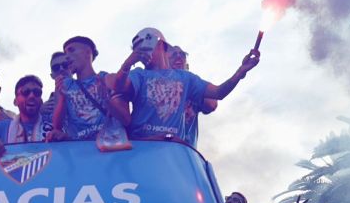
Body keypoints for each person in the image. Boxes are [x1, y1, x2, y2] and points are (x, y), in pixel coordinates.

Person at [108, 28, 260, 143]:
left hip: (173, 152)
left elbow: (219, 93)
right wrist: (127, 64)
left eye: (145, 48)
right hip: (141, 148)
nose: (142, 55)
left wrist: (240, 72)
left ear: (160, 45)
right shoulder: (139, 75)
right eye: (137, 50)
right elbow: (118, 87)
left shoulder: (186, 79)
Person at [47, 36, 128, 143]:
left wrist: (106, 100)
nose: (67, 57)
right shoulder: (64, 85)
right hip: (80, 151)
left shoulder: (106, 78)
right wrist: (61, 98)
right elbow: (57, 126)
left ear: (87, 52)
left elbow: (126, 120)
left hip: (110, 148)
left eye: (71, 50)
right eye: (65, 53)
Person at [5, 74, 53, 146]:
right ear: (15, 101)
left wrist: (63, 139)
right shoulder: (3, 127)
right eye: (26, 92)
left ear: (41, 101)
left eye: (37, 92)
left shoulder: (53, 125)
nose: (32, 96)